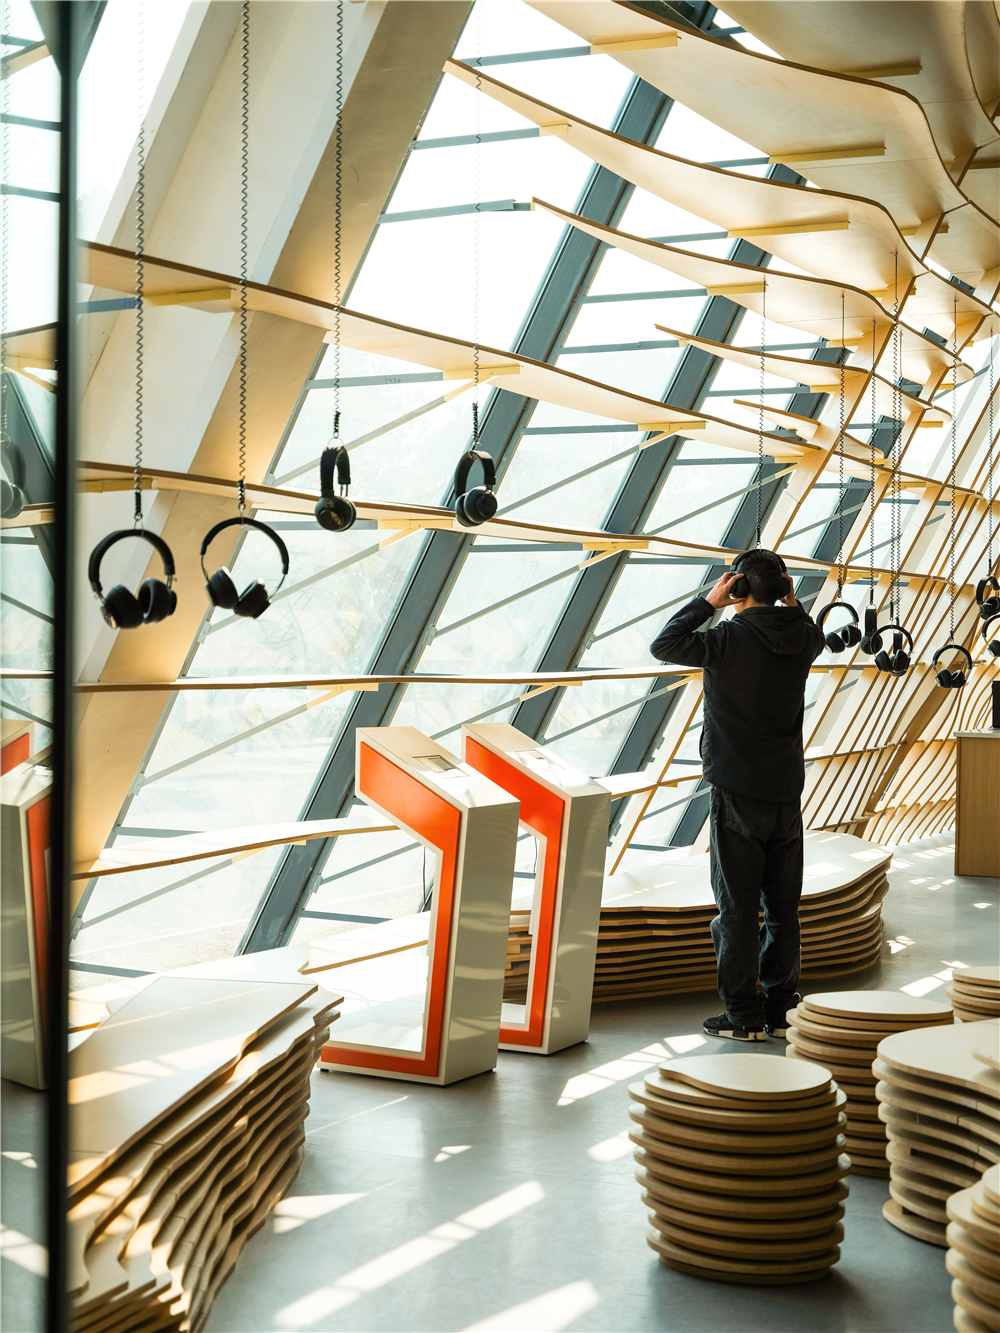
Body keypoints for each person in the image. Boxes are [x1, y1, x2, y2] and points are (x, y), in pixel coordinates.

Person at [649, 550, 826, 1041]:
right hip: (786, 793)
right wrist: (790, 599)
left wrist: (709, 601)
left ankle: (743, 1013)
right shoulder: (806, 638)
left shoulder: (728, 638)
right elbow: (807, 628)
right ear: (785, 587)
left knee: (737, 910)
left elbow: (665, 645)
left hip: (737, 793)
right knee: (783, 909)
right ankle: (780, 1008)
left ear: (738, 590)